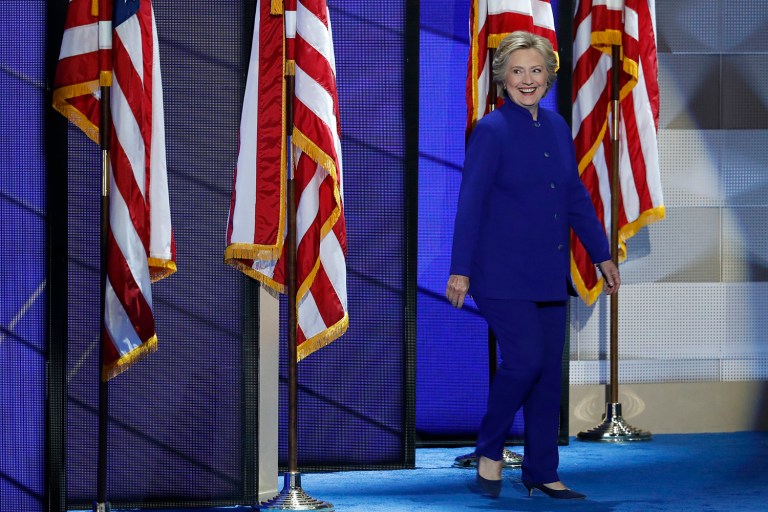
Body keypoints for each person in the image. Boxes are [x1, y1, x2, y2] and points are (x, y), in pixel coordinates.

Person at [446, 31, 620, 500]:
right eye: (517, 71)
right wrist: (459, 269)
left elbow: (575, 196)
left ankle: (542, 470)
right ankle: (489, 450)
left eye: (536, 70)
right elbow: (470, 204)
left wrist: (601, 253)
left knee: (546, 377)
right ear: (502, 77)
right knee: (523, 362)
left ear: (549, 76)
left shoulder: (559, 127)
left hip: (547, 272)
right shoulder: (491, 130)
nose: (527, 79)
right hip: (500, 273)